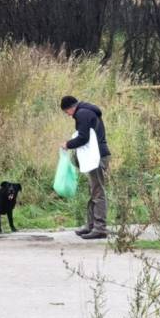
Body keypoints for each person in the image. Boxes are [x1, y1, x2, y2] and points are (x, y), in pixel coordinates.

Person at [60, 95, 111, 239]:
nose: (69, 116)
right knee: (93, 191)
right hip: (96, 156)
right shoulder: (87, 111)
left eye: (67, 112)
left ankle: (100, 228)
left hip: (97, 157)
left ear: (71, 108)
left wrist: (68, 144)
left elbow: (83, 137)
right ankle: (91, 225)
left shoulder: (82, 114)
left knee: (98, 192)